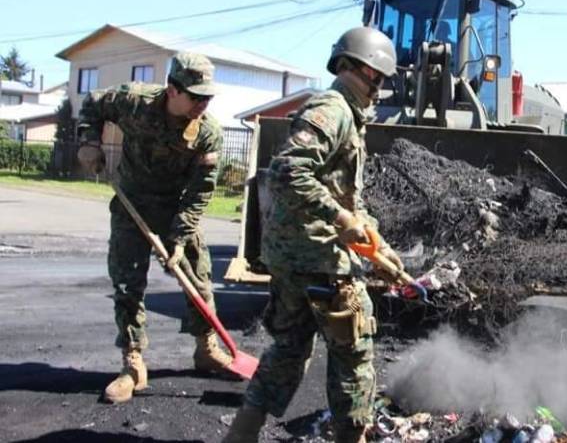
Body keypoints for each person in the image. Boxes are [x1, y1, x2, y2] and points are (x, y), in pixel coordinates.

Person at [223, 26, 405, 443]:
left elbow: (346, 199)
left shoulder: (344, 113)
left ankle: (240, 436)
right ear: (364, 70)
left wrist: (382, 250)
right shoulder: (333, 109)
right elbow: (289, 171)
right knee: (354, 352)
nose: (379, 91)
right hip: (319, 259)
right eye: (379, 80)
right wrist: (341, 220)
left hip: (294, 257)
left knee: (288, 348)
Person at [77, 52, 232, 404]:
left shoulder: (208, 133)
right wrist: (89, 142)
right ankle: (133, 363)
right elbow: (92, 105)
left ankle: (205, 348)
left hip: (176, 208)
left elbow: (200, 191)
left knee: (198, 279)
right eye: (196, 96)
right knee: (128, 283)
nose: (202, 105)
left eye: (208, 97)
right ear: (172, 90)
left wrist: (179, 238)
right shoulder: (133, 102)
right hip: (131, 203)